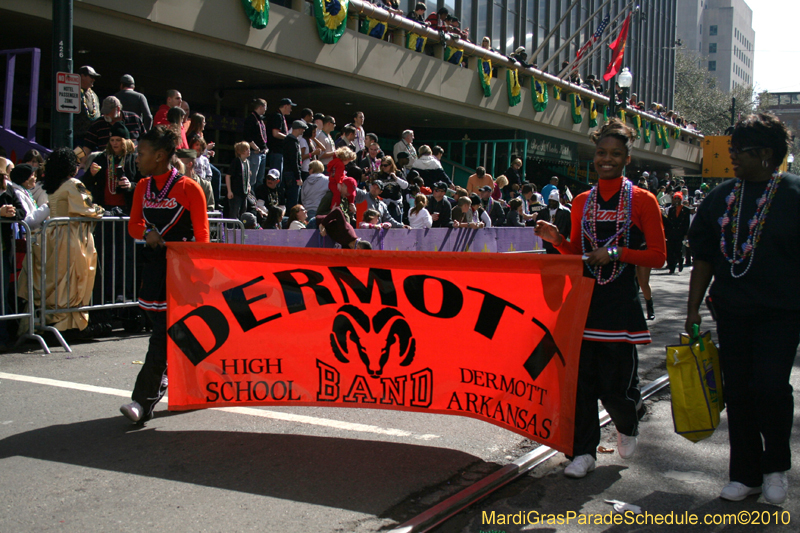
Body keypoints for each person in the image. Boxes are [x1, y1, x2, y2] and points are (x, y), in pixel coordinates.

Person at [534, 119, 666, 479]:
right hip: (584, 303)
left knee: (615, 389)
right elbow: (578, 251)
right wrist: (556, 239)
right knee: (579, 384)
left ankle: (628, 419)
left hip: (620, 305)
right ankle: (583, 452)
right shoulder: (581, 200)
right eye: (601, 153)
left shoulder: (643, 200)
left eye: (615, 154)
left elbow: (657, 256)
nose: (607, 159)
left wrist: (618, 252)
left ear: (627, 158)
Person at [685, 114, 800, 505]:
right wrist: (692, 309)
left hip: (781, 314)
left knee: (770, 387)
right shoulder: (721, 198)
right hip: (732, 313)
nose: (731, 155)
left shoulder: (794, 195)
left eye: (739, 150)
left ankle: (775, 469)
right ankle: (745, 474)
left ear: (766, 154)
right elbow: (703, 257)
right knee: (738, 392)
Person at [120, 126, 210, 424]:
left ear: (159, 156)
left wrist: (197, 273)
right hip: (155, 270)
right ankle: (199, 385)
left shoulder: (189, 187)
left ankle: (142, 401)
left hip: (183, 274)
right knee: (174, 336)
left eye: (141, 153)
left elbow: (202, 237)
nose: (137, 158)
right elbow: (133, 225)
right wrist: (148, 232)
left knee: (162, 336)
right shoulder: (143, 186)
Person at [23, 148, 105, 333]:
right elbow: (87, 208)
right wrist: (103, 211)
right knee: (71, 280)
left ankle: (54, 321)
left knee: (56, 279)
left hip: (51, 235)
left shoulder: (53, 185)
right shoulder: (72, 184)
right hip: (70, 237)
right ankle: (68, 324)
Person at [7, 164, 49, 230]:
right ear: (25, 179)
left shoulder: (25, 192)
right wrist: (46, 207)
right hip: (29, 236)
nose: (35, 178)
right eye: (32, 175)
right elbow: (28, 221)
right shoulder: (18, 194)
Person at [663, 192, 692, 274]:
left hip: (680, 233)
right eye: (675, 198)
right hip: (672, 233)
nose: (676, 200)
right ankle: (672, 267)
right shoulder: (671, 210)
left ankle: (680, 261)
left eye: (678, 198)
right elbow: (668, 222)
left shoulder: (686, 210)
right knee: (671, 250)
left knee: (678, 249)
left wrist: (686, 234)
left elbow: (687, 222)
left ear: (681, 199)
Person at [244, 98, 269, 189]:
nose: (266, 110)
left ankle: (257, 199)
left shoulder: (260, 120)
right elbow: (247, 135)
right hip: (255, 153)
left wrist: (265, 148)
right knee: (252, 178)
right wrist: (255, 148)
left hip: (262, 152)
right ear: (260, 107)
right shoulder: (251, 119)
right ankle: (250, 199)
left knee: (260, 179)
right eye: (265, 107)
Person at [267, 97, 295, 175]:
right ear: (285, 106)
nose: (291, 109)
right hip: (276, 151)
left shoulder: (281, 116)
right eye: (290, 107)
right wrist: (289, 138)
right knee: (276, 175)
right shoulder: (277, 116)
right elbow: (275, 133)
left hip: (279, 151)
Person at [75, 66, 101, 147]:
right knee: (78, 158)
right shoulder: (74, 92)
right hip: (78, 137)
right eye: (91, 77)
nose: (93, 80)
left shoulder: (94, 95)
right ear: (82, 76)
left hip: (93, 137)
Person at [282, 120, 306, 210]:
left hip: (287, 172)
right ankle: (291, 219)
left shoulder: (287, 140)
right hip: (292, 174)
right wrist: (298, 177)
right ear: (298, 129)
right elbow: (294, 161)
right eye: (302, 129)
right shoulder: (293, 142)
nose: (303, 131)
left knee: (289, 197)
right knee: (293, 199)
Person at [225, 142, 251, 221]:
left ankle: (240, 230)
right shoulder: (236, 162)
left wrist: (249, 185)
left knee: (243, 211)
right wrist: (229, 191)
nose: (248, 151)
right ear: (240, 151)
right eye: (246, 150)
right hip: (236, 192)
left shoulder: (247, 162)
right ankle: (232, 230)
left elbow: (248, 175)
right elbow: (228, 176)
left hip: (244, 193)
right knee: (234, 212)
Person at [538, 189, 571, 254]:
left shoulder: (565, 212)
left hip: (560, 240)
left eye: (553, 201)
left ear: (557, 201)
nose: (551, 203)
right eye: (550, 201)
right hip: (547, 241)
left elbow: (570, 226)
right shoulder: (543, 211)